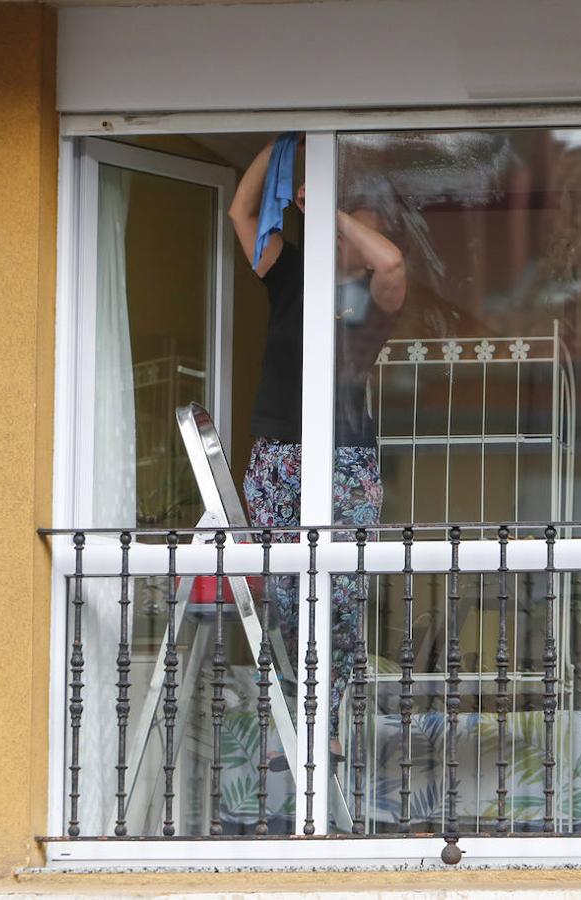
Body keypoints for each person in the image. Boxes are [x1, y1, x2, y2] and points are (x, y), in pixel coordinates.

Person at [228, 136, 406, 754]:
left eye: (355, 226)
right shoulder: (289, 277)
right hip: (278, 454)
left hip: (346, 459)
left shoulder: (372, 301)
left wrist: (330, 211)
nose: (343, 237)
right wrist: (277, 143)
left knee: (342, 596)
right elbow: (241, 216)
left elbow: (391, 264)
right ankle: (289, 719)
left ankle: (324, 721)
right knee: (282, 593)